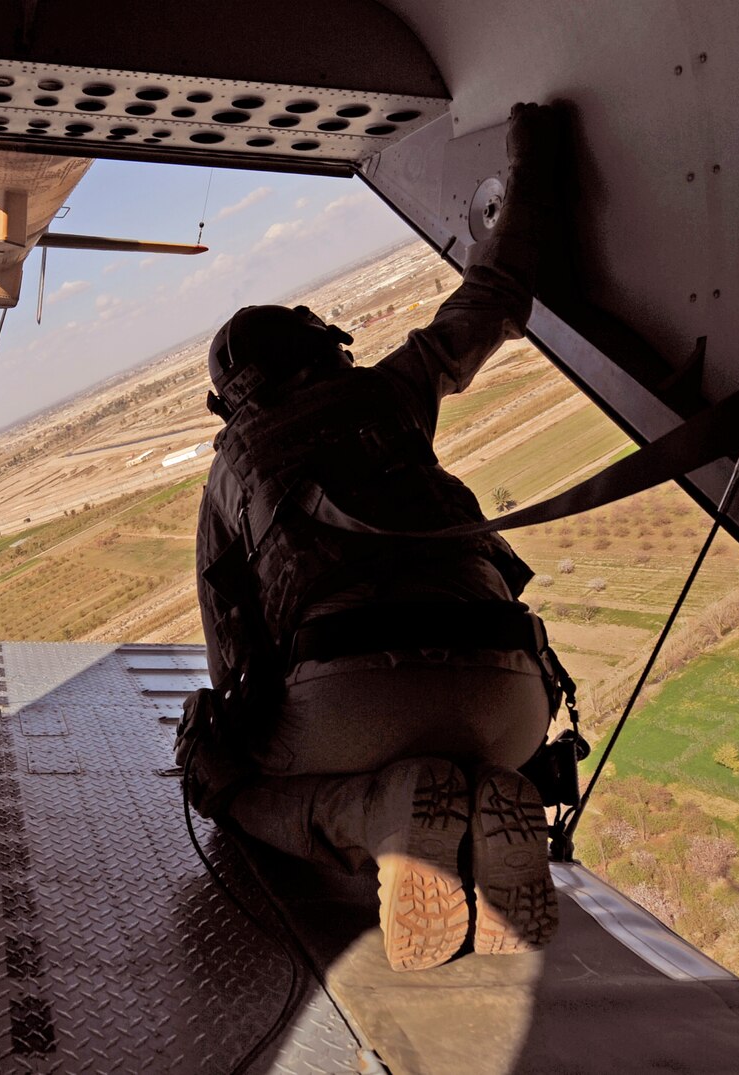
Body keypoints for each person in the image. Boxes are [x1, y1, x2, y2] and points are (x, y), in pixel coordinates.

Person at [183, 103, 575, 971]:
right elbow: (499, 294)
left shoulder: (228, 473)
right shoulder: (390, 392)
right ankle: (490, 796)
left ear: (233, 401)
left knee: (229, 779)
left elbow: (232, 664)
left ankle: (381, 814)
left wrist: (227, 741)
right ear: (325, 349)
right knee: (458, 738)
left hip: (350, 697)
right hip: (511, 693)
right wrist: (531, 157)